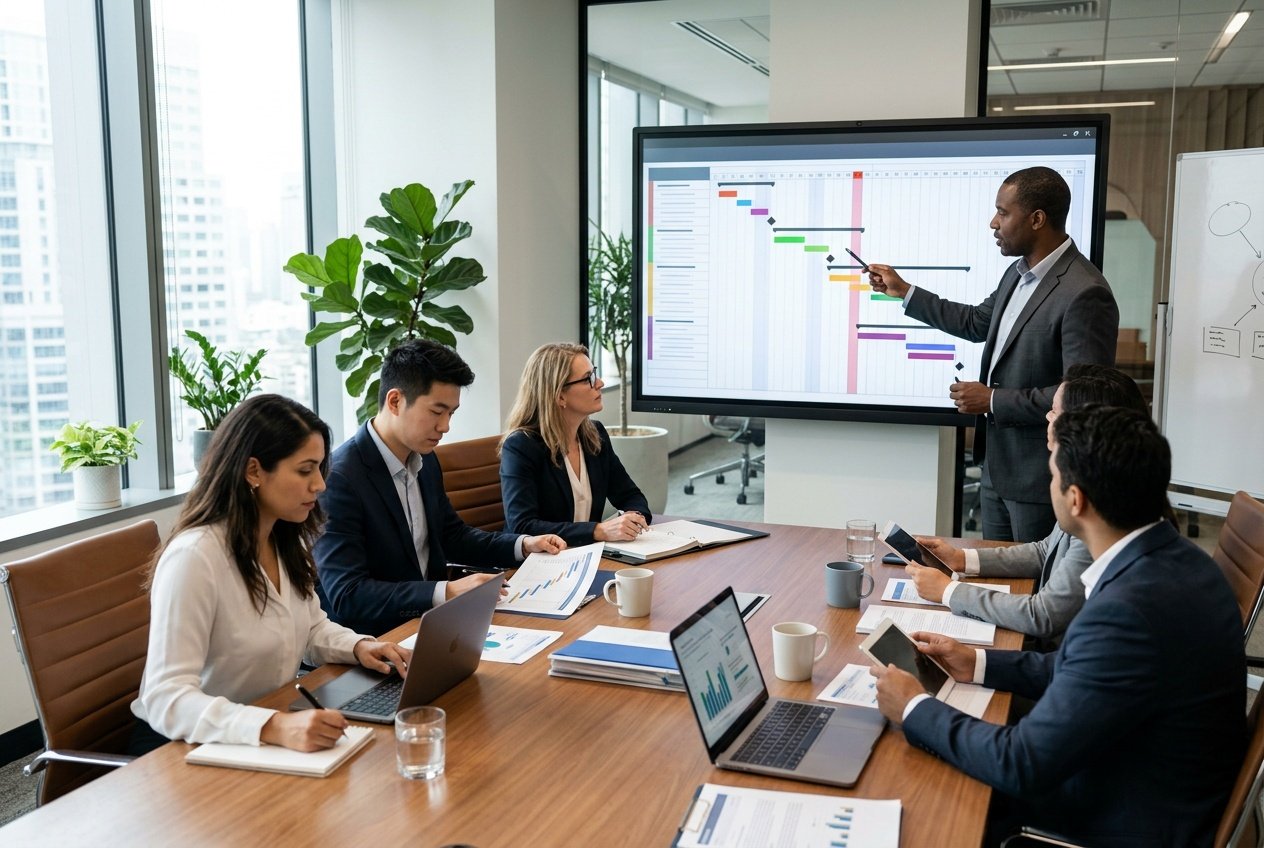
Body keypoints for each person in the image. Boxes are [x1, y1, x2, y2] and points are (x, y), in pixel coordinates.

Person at [872, 406, 1245, 847]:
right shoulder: (1182, 563)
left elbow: (1022, 764)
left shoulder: (1127, 612)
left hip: (1124, 818)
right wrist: (977, 662)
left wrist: (915, 707)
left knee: (914, 800)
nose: (1048, 486)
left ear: (1075, 499)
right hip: (1148, 775)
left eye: (1052, 477)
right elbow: (1085, 672)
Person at [130, 394, 411, 755]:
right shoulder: (194, 558)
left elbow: (310, 627)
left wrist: (359, 646)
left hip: (261, 724)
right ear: (253, 471)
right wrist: (273, 726)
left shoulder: (281, 538)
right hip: (184, 744)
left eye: (320, 469)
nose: (320, 485)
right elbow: (165, 697)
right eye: (304, 470)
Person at [867, 166, 1119, 542]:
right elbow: (975, 322)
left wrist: (992, 399)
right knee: (995, 578)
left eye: (1003, 213)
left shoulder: (1084, 292)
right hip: (997, 469)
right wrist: (904, 291)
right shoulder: (1017, 274)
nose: (993, 223)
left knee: (1031, 585)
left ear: (1036, 219)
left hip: (1040, 478)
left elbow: (1084, 397)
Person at [315, 339, 566, 637]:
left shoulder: (424, 460)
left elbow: (452, 536)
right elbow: (349, 595)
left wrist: (522, 545)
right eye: (437, 412)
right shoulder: (340, 478)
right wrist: (445, 591)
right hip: (374, 640)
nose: (445, 426)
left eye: (452, 413)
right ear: (395, 402)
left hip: (431, 627)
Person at [906, 364, 1149, 644]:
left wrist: (949, 592)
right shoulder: (1093, 479)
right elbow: (1046, 551)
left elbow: (1043, 615)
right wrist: (961, 559)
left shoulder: (1100, 513)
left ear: (1083, 424)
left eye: (1054, 411)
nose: (1047, 417)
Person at [499, 343, 651, 545]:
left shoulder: (595, 435)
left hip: (588, 556)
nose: (600, 383)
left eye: (594, 373)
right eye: (589, 378)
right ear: (560, 395)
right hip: (539, 563)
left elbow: (630, 495)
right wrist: (597, 531)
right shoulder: (521, 446)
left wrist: (634, 516)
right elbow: (523, 525)